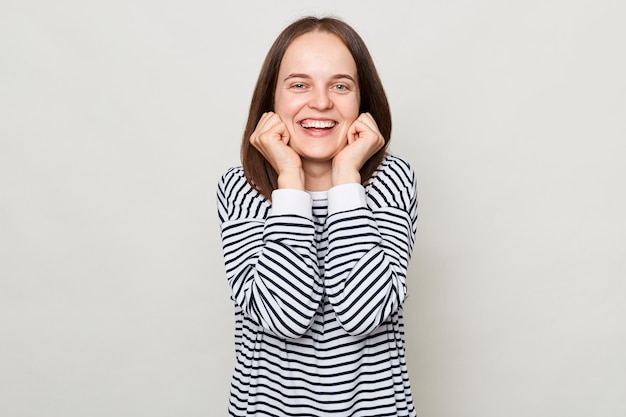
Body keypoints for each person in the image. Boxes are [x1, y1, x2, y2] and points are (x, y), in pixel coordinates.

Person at [217, 15, 418, 417]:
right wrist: (290, 183)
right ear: (271, 100)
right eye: (299, 84)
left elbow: (364, 312)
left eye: (340, 86)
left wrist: (347, 180)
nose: (322, 102)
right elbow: (285, 317)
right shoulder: (240, 188)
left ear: (362, 101)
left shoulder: (393, 180)